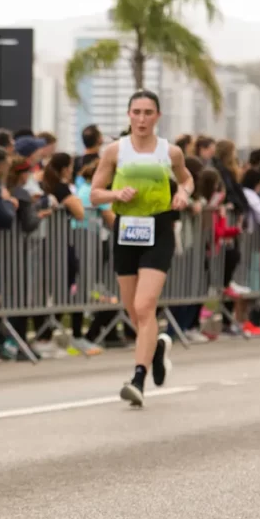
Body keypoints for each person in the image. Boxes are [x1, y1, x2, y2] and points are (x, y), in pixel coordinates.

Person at [90, 90, 194, 407]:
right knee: (133, 310)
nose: (142, 118)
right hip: (126, 230)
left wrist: (183, 194)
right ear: (129, 115)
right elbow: (95, 193)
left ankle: (138, 378)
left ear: (157, 116)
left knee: (145, 305)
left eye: (148, 112)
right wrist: (116, 194)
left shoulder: (170, 152)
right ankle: (157, 349)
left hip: (159, 229)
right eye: (136, 112)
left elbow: (187, 180)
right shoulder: (114, 151)